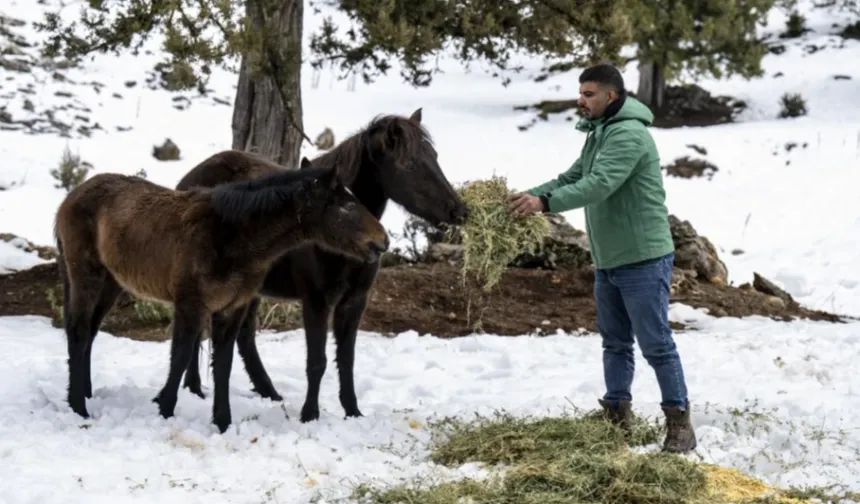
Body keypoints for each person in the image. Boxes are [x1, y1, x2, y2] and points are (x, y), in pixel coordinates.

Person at [507, 63, 696, 453]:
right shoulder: (601, 133)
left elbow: (599, 184)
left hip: (642, 257)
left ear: (611, 96)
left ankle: (679, 422)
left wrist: (543, 204)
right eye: (580, 92)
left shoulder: (628, 134)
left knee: (656, 343)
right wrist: (529, 195)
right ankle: (617, 414)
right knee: (614, 343)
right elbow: (572, 176)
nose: (581, 100)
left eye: (588, 93)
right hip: (610, 258)